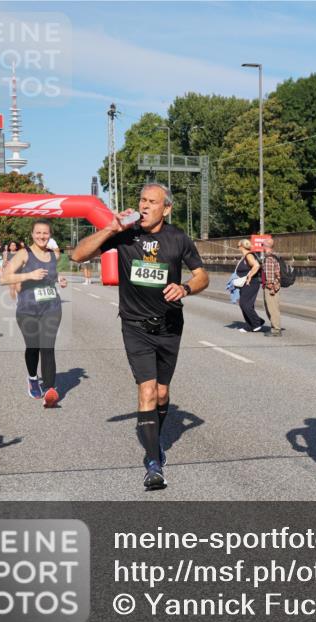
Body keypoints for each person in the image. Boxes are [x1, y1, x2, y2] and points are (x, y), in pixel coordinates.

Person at [71, 183, 208, 491]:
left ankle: (155, 434)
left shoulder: (178, 239)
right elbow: (79, 255)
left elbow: (202, 275)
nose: (144, 206)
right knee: (146, 391)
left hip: (170, 324)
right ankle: (153, 462)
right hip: (134, 325)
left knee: (161, 393)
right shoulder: (125, 234)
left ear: (166, 209)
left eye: (152, 202)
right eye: (142, 200)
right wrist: (109, 229)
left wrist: (185, 288)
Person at [1, 222, 68, 407]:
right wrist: (28, 275)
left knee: (47, 347)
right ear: (32, 234)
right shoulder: (24, 254)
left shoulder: (53, 254)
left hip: (51, 307)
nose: (41, 236)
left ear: (50, 235)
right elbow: (4, 277)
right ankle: (32, 378)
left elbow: (52, 276)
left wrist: (60, 280)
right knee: (33, 347)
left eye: (45, 233)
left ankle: (49, 389)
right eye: (38, 233)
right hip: (27, 309)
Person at [234, 239, 264, 333]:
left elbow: (256, 266)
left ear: (241, 246)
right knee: (247, 304)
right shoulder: (245, 256)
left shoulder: (248, 255)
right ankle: (249, 325)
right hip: (246, 283)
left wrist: (250, 276)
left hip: (251, 283)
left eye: (238, 245)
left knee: (244, 303)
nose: (237, 247)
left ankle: (256, 323)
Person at [261, 237, 283, 337]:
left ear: (266, 246)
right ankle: (274, 327)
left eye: (263, 245)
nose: (262, 247)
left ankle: (276, 329)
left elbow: (269, 276)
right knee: (271, 308)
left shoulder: (269, 259)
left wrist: (272, 288)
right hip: (275, 286)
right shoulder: (274, 257)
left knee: (272, 308)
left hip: (271, 288)